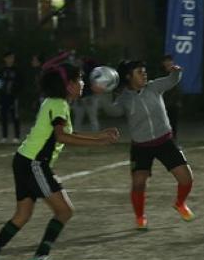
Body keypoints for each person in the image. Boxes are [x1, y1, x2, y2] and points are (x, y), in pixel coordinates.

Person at [0, 58, 120, 260]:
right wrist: (99, 142)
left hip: (24, 160)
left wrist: (98, 135)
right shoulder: (58, 104)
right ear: (69, 85)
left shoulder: (55, 102)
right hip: (34, 163)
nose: (82, 83)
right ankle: (40, 256)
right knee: (65, 211)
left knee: (22, 215)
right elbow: (62, 137)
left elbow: (66, 134)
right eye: (79, 79)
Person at [98, 60, 194, 231]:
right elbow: (113, 111)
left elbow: (172, 80)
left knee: (187, 178)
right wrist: (104, 93)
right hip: (141, 147)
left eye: (145, 71)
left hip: (165, 141)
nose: (144, 74)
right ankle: (140, 217)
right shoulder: (124, 99)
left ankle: (180, 204)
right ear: (129, 76)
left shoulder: (154, 87)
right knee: (138, 184)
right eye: (140, 72)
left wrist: (176, 72)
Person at [0, 51, 21, 144]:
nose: (11, 60)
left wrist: (16, 92)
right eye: (9, 58)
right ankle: (4, 136)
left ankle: (16, 136)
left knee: (15, 116)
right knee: (3, 117)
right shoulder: (1, 71)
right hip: (3, 97)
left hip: (13, 97)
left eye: (12, 58)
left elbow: (21, 83)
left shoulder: (17, 70)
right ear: (5, 59)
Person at [73, 57, 101, 132]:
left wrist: (91, 95)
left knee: (92, 118)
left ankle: (95, 135)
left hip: (90, 97)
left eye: (79, 61)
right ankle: (76, 135)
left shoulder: (89, 71)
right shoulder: (75, 73)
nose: (77, 62)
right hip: (80, 98)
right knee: (78, 118)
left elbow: (92, 85)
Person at [162, 55, 182, 138]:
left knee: (173, 125)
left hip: (174, 104)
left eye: (170, 61)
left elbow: (178, 88)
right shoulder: (161, 74)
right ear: (163, 63)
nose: (169, 63)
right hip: (163, 104)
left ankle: (173, 142)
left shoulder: (175, 73)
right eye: (167, 61)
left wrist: (178, 101)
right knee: (163, 125)